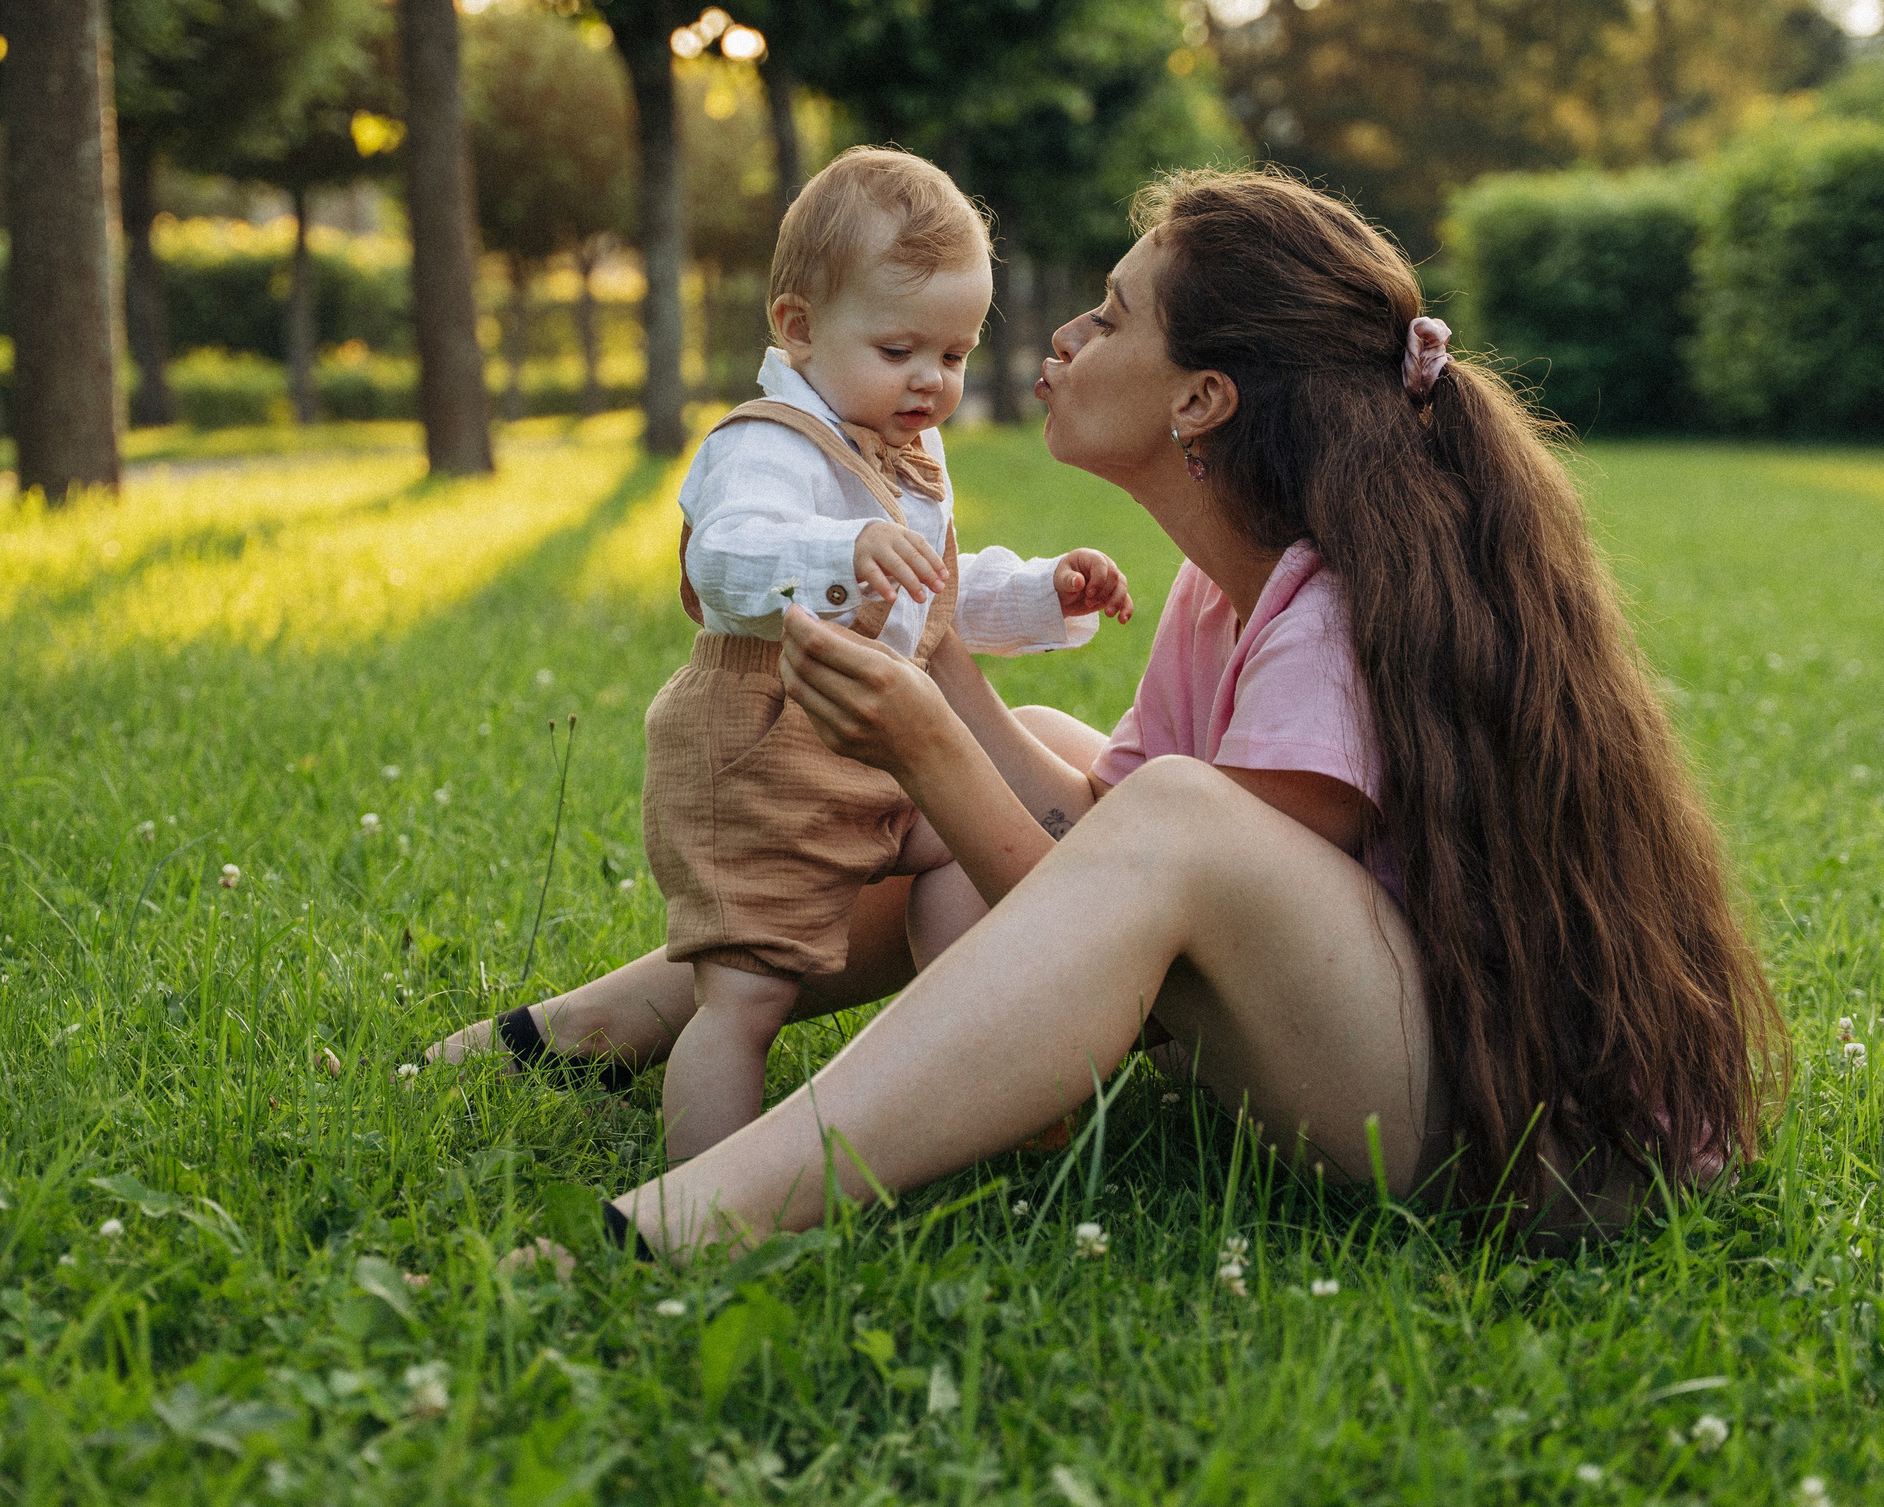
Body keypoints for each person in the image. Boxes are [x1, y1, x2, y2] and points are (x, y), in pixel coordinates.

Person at [436, 167, 1782, 1258]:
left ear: (1202, 399)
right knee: (1096, 764)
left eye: (1113, 315)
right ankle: (596, 1025)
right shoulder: (1224, 591)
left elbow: (1116, 914)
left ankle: (696, 1217)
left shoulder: (1331, 621)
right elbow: (1086, 855)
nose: (1067, 335)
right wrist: (950, 674)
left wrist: (924, 739)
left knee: (1165, 809)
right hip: (1391, 1046)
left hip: (1531, 1148)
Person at [429, 147, 1131, 1163]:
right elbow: (725, 559)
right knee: (745, 997)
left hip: (887, 749)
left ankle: (979, 1087)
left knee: (970, 866)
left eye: (954, 354)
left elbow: (925, 593)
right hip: (767, 754)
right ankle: (709, 1191)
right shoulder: (766, 446)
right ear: (799, 329)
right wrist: (839, 549)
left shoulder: (902, 449)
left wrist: (1035, 592)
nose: (931, 381)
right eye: (900, 351)